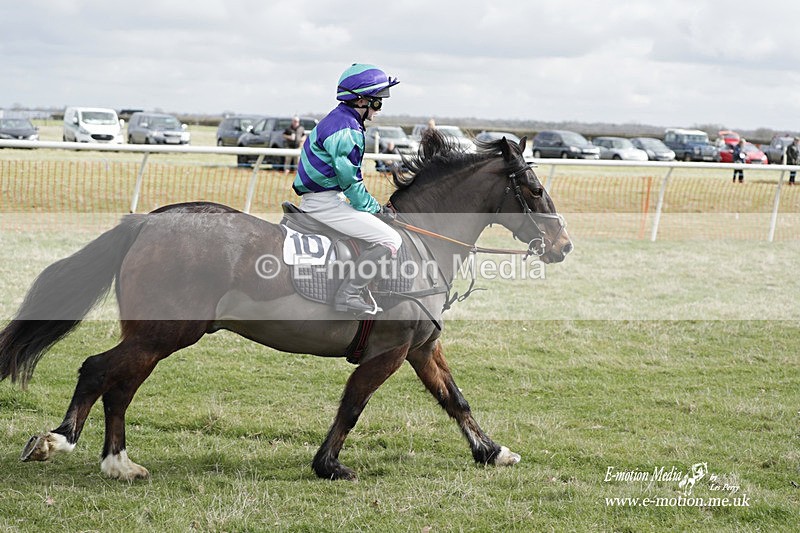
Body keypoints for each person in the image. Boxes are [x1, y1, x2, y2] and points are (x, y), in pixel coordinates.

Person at [292, 63, 402, 314]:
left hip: (324, 199)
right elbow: (350, 183)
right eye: (377, 103)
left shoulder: (339, 119)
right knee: (390, 238)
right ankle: (348, 295)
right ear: (361, 100)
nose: (379, 109)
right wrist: (376, 209)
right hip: (325, 204)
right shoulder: (346, 129)